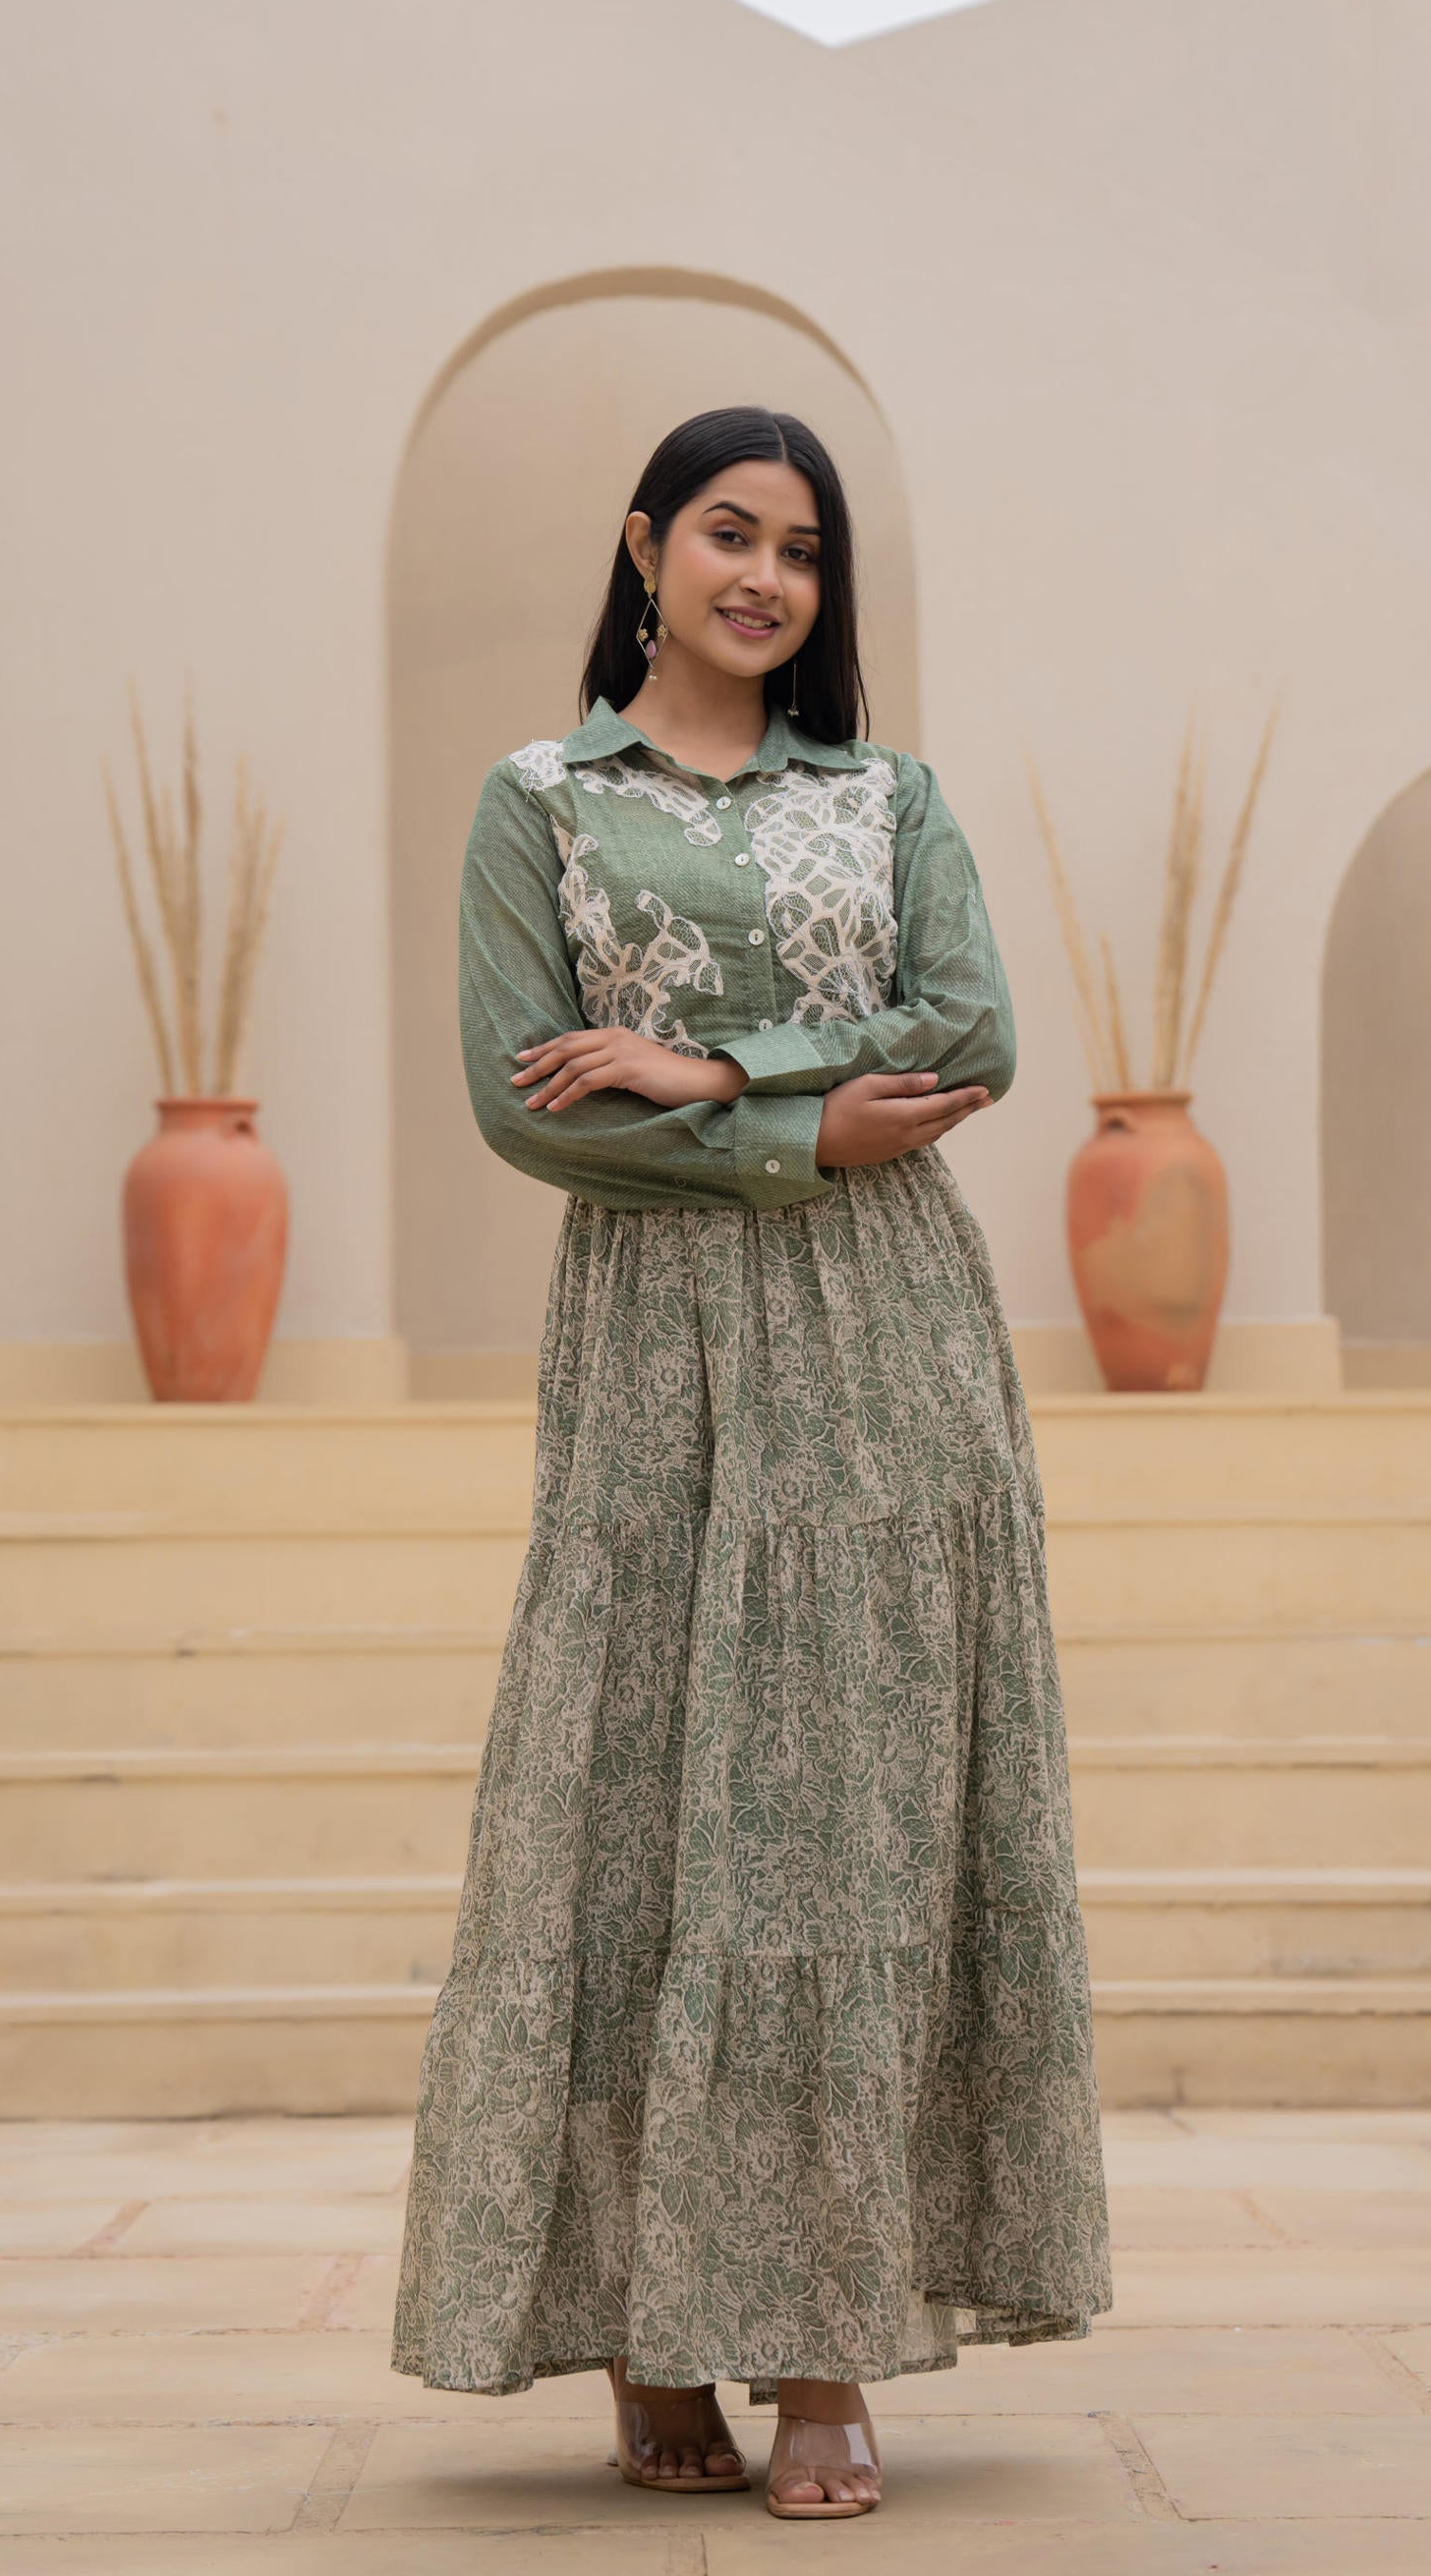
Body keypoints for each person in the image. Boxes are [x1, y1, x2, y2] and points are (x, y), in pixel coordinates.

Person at [392, 404, 1110, 2521]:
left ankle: (815, 2351)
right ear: (642, 547)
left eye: (800, 549)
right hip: (648, 1352)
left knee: (839, 1830)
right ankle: (645, 2331)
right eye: (726, 533)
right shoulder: (541, 801)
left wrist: (726, 1070)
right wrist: (808, 1119)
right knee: (631, 1822)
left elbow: (964, 1037)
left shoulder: (885, 795)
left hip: (886, 1347)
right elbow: (525, 1106)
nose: (763, 578)